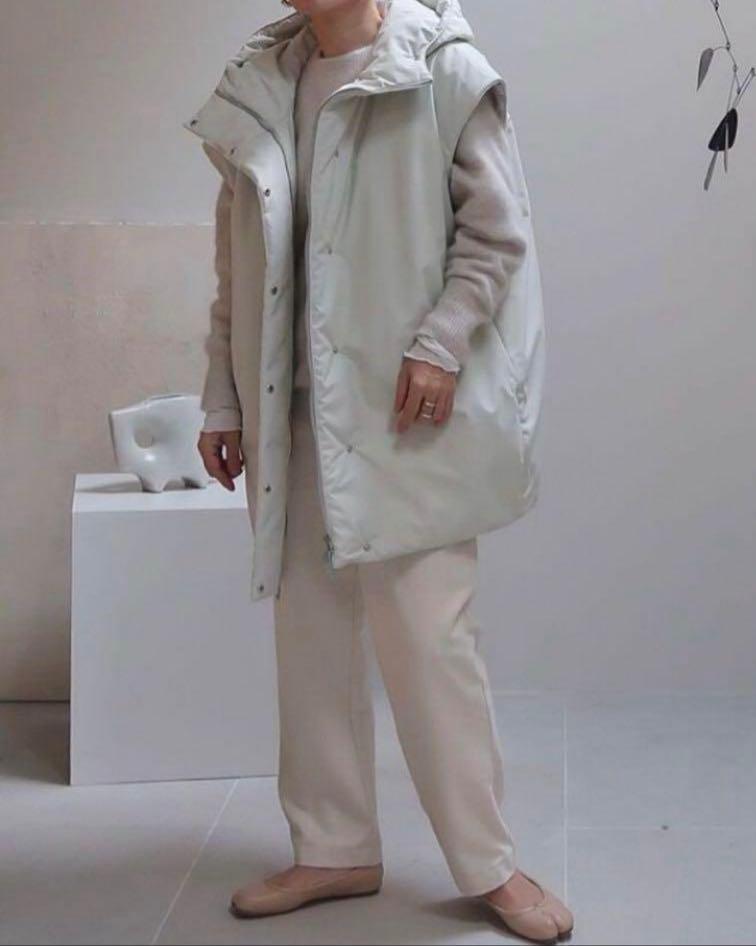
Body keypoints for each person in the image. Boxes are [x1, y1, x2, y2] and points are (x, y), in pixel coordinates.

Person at [187, 0, 571, 942]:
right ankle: (333, 848)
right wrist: (223, 398)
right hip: (290, 415)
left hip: (401, 411)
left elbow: (496, 231)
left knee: (430, 644)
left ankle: (489, 864)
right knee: (310, 640)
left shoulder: (443, 70)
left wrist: (442, 342)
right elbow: (238, 264)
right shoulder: (261, 86)